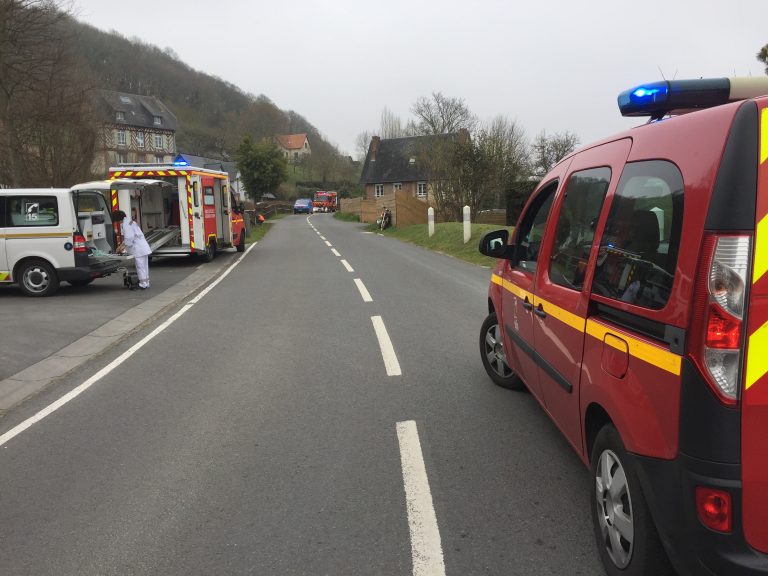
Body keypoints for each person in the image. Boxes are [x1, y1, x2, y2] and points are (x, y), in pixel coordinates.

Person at [112, 209, 152, 290]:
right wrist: (122, 245)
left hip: (138, 248)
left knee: (140, 266)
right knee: (144, 266)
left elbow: (129, 237)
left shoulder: (126, 225)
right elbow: (131, 236)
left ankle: (143, 284)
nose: (117, 223)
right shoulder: (131, 222)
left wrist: (123, 247)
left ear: (118, 218)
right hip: (143, 247)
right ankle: (146, 283)